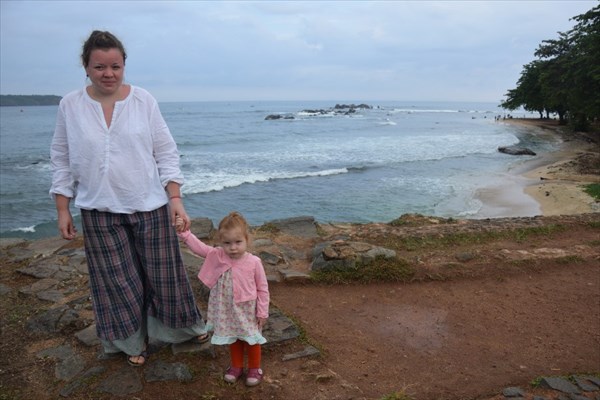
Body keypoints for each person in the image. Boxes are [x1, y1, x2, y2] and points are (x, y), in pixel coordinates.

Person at [49, 30, 208, 367]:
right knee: (117, 282)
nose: (108, 73)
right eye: (100, 67)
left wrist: (175, 199)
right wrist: (63, 208)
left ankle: (182, 329)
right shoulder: (70, 105)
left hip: (149, 204)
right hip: (98, 209)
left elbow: (166, 151)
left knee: (165, 274)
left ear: (124, 66)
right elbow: (61, 158)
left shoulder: (143, 100)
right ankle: (131, 341)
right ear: (86, 67)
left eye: (115, 66)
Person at [177, 211, 269, 387]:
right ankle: (236, 366)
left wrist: (262, 312)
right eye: (227, 243)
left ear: (247, 239)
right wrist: (184, 233)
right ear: (220, 242)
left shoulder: (254, 262)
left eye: (238, 242)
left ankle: (254, 368)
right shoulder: (217, 255)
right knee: (232, 336)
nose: (233, 247)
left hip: (247, 310)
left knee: (251, 339)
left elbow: (263, 288)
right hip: (226, 308)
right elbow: (199, 248)